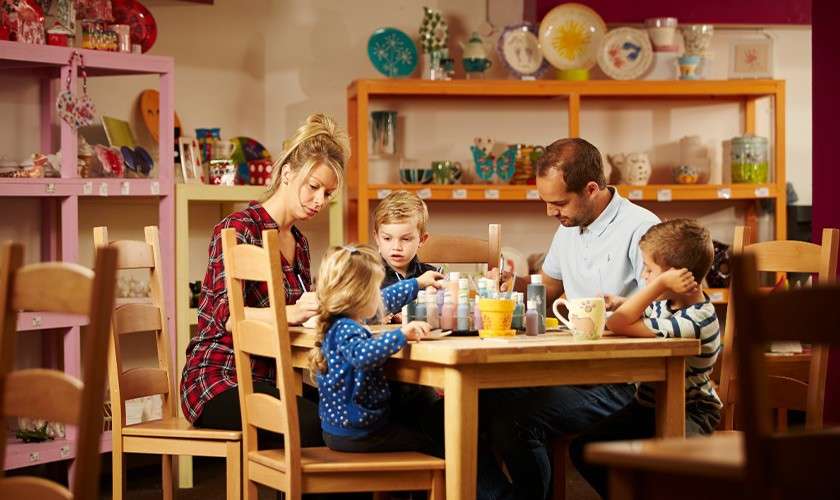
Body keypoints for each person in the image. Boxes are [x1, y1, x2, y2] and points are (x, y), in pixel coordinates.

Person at [483, 138, 660, 500]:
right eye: (546, 202)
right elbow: (547, 290)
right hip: (570, 369)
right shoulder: (568, 227)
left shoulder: (642, 229)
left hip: (622, 381)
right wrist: (509, 286)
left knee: (514, 421)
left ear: (592, 189)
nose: (551, 212)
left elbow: (665, 307)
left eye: (559, 202)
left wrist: (620, 311)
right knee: (479, 404)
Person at [180, 113, 347, 447]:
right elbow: (228, 319)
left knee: (349, 419)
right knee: (320, 429)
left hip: (272, 377)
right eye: (313, 187)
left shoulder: (298, 241)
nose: (320, 201)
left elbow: (299, 315)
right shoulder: (237, 229)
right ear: (287, 173)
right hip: (219, 377)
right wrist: (293, 312)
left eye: (328, 194)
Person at [569, 219, 722, 499]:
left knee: (665, 470)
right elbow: (628, 316)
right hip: (648, 406)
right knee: (584, 448)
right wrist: (621, 301)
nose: (645, 276)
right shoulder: (668, 305)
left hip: (691, 411)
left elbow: (619, 324)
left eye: (649, 270)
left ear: (677, 277)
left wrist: (658, 284)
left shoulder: (695, 321)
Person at [309, 244, 445, 457]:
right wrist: (401, 335)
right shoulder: (347, 329)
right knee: (432, 441)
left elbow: (386, 299)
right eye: (374, 291)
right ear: (359, 296)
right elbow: (363, 354)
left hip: (344, 431)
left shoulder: (341, 320)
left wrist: (417, 283)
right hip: (359, 434)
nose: (379, 297)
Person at [373, 190, 439, 288]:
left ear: (421, 240)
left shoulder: (431, 275)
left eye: (406, 239)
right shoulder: (369, 276)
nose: (396, 247)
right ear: (377, 238)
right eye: (387, 238)